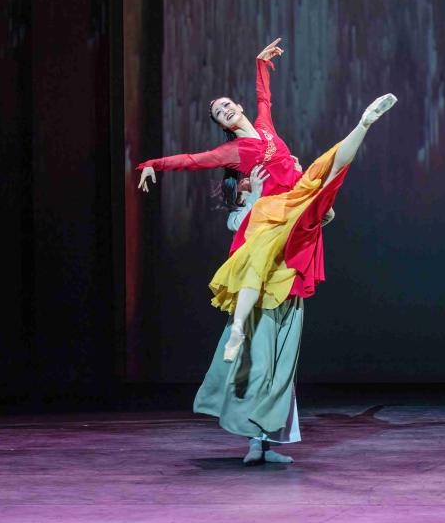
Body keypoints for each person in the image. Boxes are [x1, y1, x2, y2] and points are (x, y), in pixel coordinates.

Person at [137, 38, 396, 362]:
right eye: (219, 113)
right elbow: (191, 159)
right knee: (256, 263)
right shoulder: (231, 152)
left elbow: (264, 98)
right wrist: (152, 164)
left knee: (331, 161)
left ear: (238, 107)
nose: (225, 110)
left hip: (299, 190)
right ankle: (238, 330)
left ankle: (364, 122)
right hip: (275, 210)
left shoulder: (263, 126)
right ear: (222, 125)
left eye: (227, 105)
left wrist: (261, 64)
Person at [194, 164, 325, 464]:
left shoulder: (288, 204)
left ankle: (265, 443)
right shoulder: (240, 216)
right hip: (261, 301)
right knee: (259, 367)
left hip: (289, 293)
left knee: (281, 372)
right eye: (247, 182)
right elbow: (250, 226)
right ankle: (255, 441)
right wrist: (255, 196)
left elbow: (320, 219)